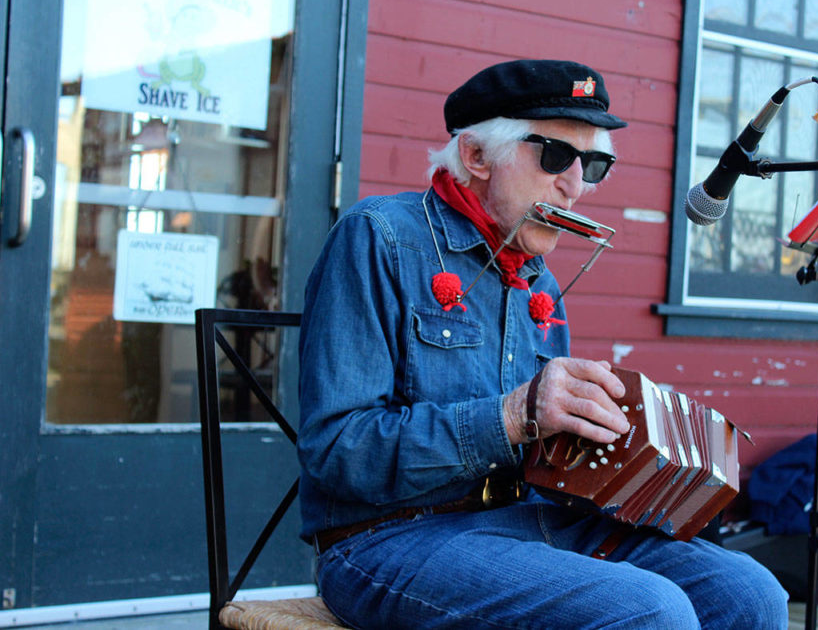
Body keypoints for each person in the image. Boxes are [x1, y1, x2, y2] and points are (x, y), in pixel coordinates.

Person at [298, 59, 789, 629]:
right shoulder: (381, 238)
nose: (577, 185)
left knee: (751, 593)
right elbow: (337, 451)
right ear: (477, 156)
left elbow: (546, 458)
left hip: (531, 521)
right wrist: (513, 415)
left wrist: (625, 452)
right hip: (390, 537)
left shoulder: (540, 280)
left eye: (595, 164)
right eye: (556, 156)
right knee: (650, 612)